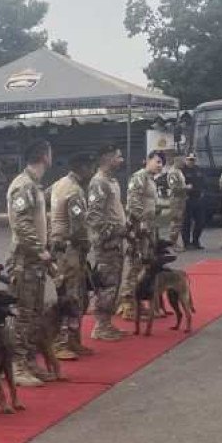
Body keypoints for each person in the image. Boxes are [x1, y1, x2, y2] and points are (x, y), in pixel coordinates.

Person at [4, 140, 53, 386]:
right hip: (25, 260)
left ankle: (29, 360)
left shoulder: (34, 185)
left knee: (34, 314)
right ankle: (16, 365)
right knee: (23, 315)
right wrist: (39, 248)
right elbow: (22, 224)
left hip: (35, 262)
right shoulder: (23, 186)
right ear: (44, 156)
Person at [47, 153, 96, 360]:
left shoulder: (58, 184)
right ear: (82, 168)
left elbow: (45, 202)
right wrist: (85, 244)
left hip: (58, 247)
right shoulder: (74, 191)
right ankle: (62, 342)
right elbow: (77, 228)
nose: (91, 172)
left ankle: (73, 340)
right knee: (71, 296)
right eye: (89, 168)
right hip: (70, 250)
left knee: (69, 294)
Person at [86, 144, 128, 341]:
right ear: (108, 158)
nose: (121, 160)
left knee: (114, 284)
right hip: (106, 244)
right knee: (107, 284)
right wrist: (113, 232)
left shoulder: (112, 181)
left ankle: (107, 323)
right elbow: (94, 217)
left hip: (116, 242)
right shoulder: (99, 183)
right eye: (118, 156)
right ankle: (101, 326)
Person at [118, 150, 162, 322]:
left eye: (161, 163)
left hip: (148, 227)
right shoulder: (139, 177)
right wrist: (142, 221)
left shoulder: (150, 179)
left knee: (143, 264)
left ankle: (135, 302)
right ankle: (127, 304)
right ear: (148, 161)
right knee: (135, 265)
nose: (160, 166)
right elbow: (133, 200)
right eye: (157, 161)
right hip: (138, 228)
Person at [162, 153, 189, 251]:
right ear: (177, 160)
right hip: (176, 199)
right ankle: (173, 243)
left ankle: (175, 241)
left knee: (179, 221)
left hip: (181, 199)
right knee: (176, 221)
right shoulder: (173, 172)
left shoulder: (179, 171)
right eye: (182, 161)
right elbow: (174, 187)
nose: (184, 162)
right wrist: (186, 187)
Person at [180, 156, 207, 250]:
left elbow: (204, 182)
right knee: (186, 222)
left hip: (198, 199)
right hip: (188, 199)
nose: (191, 162)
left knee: (200, 222)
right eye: (189, 160)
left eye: (193, 160)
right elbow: (179, 185)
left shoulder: (198, 169)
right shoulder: (182, 171)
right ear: (185, 160)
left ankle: (196, 241)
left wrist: (203, 192)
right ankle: (186, 243)